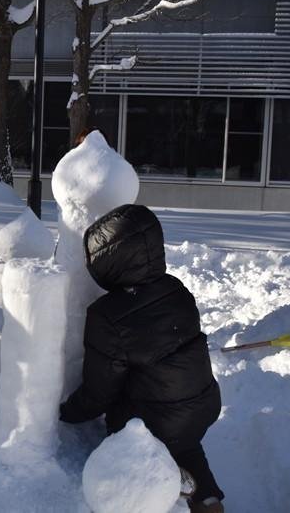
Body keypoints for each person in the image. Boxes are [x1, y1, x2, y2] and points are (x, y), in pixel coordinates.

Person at [59, 204, 225, 513]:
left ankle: (165, 497)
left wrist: (65, 414)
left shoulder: (107, 315)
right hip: (202, 404)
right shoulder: (176, 289)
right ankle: (208, 501)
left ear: (108, 261)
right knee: (185, 443)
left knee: (150, 457)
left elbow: (99, 391)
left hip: (153, 424)